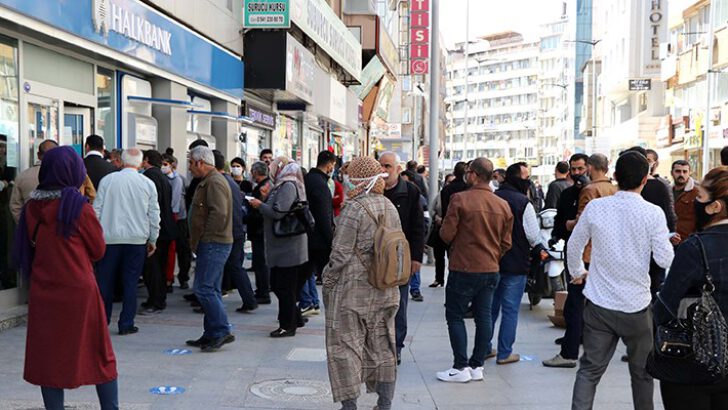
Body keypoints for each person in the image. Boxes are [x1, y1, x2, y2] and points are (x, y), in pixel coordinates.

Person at [14, 146, 118, 410]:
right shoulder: (77, 206)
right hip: (79, 291)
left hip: (43, 290)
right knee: (99, 353)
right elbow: (98, 250)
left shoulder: (30, 209)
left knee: (49, 356)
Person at [568, 151, 674, 410]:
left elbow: (574, 245)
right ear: (646, 179)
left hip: (599, 304)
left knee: (589, 371)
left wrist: (578, 272)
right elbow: (664, 259)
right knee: (642, 374)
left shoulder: (596, 207)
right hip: (636, 306)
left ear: (614, 176)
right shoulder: (653, 213)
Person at [323, 156, 401, 410]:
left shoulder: (354, 208)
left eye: (351, 175)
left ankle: (350, 406)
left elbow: (340, 255)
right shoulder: (389, 206)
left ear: (359, 179)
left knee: (346, 347)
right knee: (384, 346)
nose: (347, 179)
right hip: (386, 287)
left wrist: (328, 282)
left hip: (353, 292)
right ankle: (385, 403)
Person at [653, 166, 728, 409]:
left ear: (715, 206)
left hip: (694, 366)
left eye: (701, 196)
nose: (695, 200)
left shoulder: (696, 248)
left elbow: (665, 308)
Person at [436, 158, 513, 383]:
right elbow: (506, 242)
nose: (466, 175)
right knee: (484, 316)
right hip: (490, 267)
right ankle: (477, 365)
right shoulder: (502, 204)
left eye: (468, 171)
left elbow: (446, 235)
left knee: (455, 315)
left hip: (463, 266)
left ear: (474, 174)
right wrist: (493, 255)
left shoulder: (459, 199)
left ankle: (460, 367)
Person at [94, 148, 160, 335]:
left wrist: (96, 235)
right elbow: (154, 215)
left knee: (105, 282)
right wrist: (153, 238)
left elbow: (96, 210)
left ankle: (102, 321)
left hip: (109, 239)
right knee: (130, 282)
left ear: (121, 161)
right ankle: (126, 323)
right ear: (140, 163)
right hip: (136, 240)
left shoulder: (108, 181)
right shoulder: (147, 183)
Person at [489, 162, 545, 365]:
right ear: (517, 179)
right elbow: (532, 235)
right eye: (525, 177)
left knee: (490, 307)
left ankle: (485, 347)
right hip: (515, 262)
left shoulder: (492, 199)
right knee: (510, 309)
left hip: (491, 262)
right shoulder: (523, 202)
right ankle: (505, 353)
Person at [248, 157, 310, 337]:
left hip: (289, 248)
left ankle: (287, 325)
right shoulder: (281, 185)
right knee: (280, 285)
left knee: (284, 287)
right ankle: (294, 318)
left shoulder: (288, 185)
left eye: (274, 166)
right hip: (283, 246)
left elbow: (278, 212)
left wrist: (260, 205)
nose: (271, 169)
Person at [185, 145, 235, 352]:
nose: (189, 167)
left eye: (190, 163)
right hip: (212, 242)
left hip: (214, 242)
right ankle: (211, 333)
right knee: (211, 288)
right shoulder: (208, 181)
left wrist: (205, 238)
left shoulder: (214, 182)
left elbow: (219, 214)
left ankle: (222, 330)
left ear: (200, 163)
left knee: (203, 289)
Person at [542, 153, 590, 368]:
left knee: (584, 302)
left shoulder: (600, 194)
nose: (577, 173)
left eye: (581, 168)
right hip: (574, 255)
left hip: (595, 256)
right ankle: (573, 340)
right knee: (574, 301)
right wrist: (570, 225)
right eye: (574, 169)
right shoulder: (567, 193)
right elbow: (559, 224)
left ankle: (575, 346)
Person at [380, 152, 425, 363]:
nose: (384, 170)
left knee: (399, 304)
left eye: (388, 166)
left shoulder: (410, 192)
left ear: (398, 169)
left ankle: (396, 346)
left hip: (400, 257)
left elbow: (418, 227)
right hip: (376, 259)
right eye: (381, 165)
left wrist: (416, 258)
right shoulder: (374, 191)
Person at [628, 146, 676, 299]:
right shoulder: (658, 186)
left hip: (648, 250)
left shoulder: (659, 186)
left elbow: (669, 216)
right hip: (644, 250)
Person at [214, 150, 257, 314]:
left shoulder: (221, 182)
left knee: (229, 266)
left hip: (229, 230)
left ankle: (248, 300)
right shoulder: (230, 182)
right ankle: (249, 299)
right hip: (235, 229)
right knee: (234, 266)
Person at [138, 150, 177, 314]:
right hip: (167, 227)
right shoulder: (163, 177)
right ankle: (158, 299)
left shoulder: (149, 177)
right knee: (159, 267)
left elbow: (151, 207)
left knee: (152, 268)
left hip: (157, 229)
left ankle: (156, 300)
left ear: (146, 160)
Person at [300, 150, 336, 317]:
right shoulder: (320, 184)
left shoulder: (310, 180)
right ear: (329, 165)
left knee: (307, 272)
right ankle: (310, 302)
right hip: (318, 239)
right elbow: (324, 216)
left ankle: (311, 302)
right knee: (312, 273)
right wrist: (331, 241)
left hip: (309, 236)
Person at [162, 151, 191, 289]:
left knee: (183, 249)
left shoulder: (179, 179)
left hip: (179, 218)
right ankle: (168, 278)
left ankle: (183, 277)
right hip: (169, 218)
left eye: (165, 164)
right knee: (170, 250)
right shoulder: (161, 178)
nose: (163, 167)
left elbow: (175, 201)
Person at [10, 139, 58, 222]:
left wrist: (25, 225)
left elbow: (15, 206)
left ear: (38, 155)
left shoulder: (22, 176)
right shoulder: (64, 175)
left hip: (30, 228)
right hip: (57, 230)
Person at [246, 161, 273, 304]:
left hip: (260, 230)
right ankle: (262, 289)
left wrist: (248, 215)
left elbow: (261, 210)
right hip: (261, 230)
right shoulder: (266, 186)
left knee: (261, 262)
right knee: (261, 262)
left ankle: (263, 291)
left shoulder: (264, 188)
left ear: (256, 172)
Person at [429, 172, 458, 288]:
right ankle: (439, 278)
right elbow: (432, 209)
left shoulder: (458, 196)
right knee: (439, 256)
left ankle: (452, 279)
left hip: (453, 231)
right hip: (440, 229)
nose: (450, 184)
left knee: (452, 257)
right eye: (448, 182)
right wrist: (437, 218)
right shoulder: (440, 194)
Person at [671, 159, 699, 245]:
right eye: (678, 171)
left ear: (689, 173)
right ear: (672, 173)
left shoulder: (697, 193)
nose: (681, 174)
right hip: (669, 240)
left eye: (685, 171)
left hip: (689, 242)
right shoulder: (667, 191)